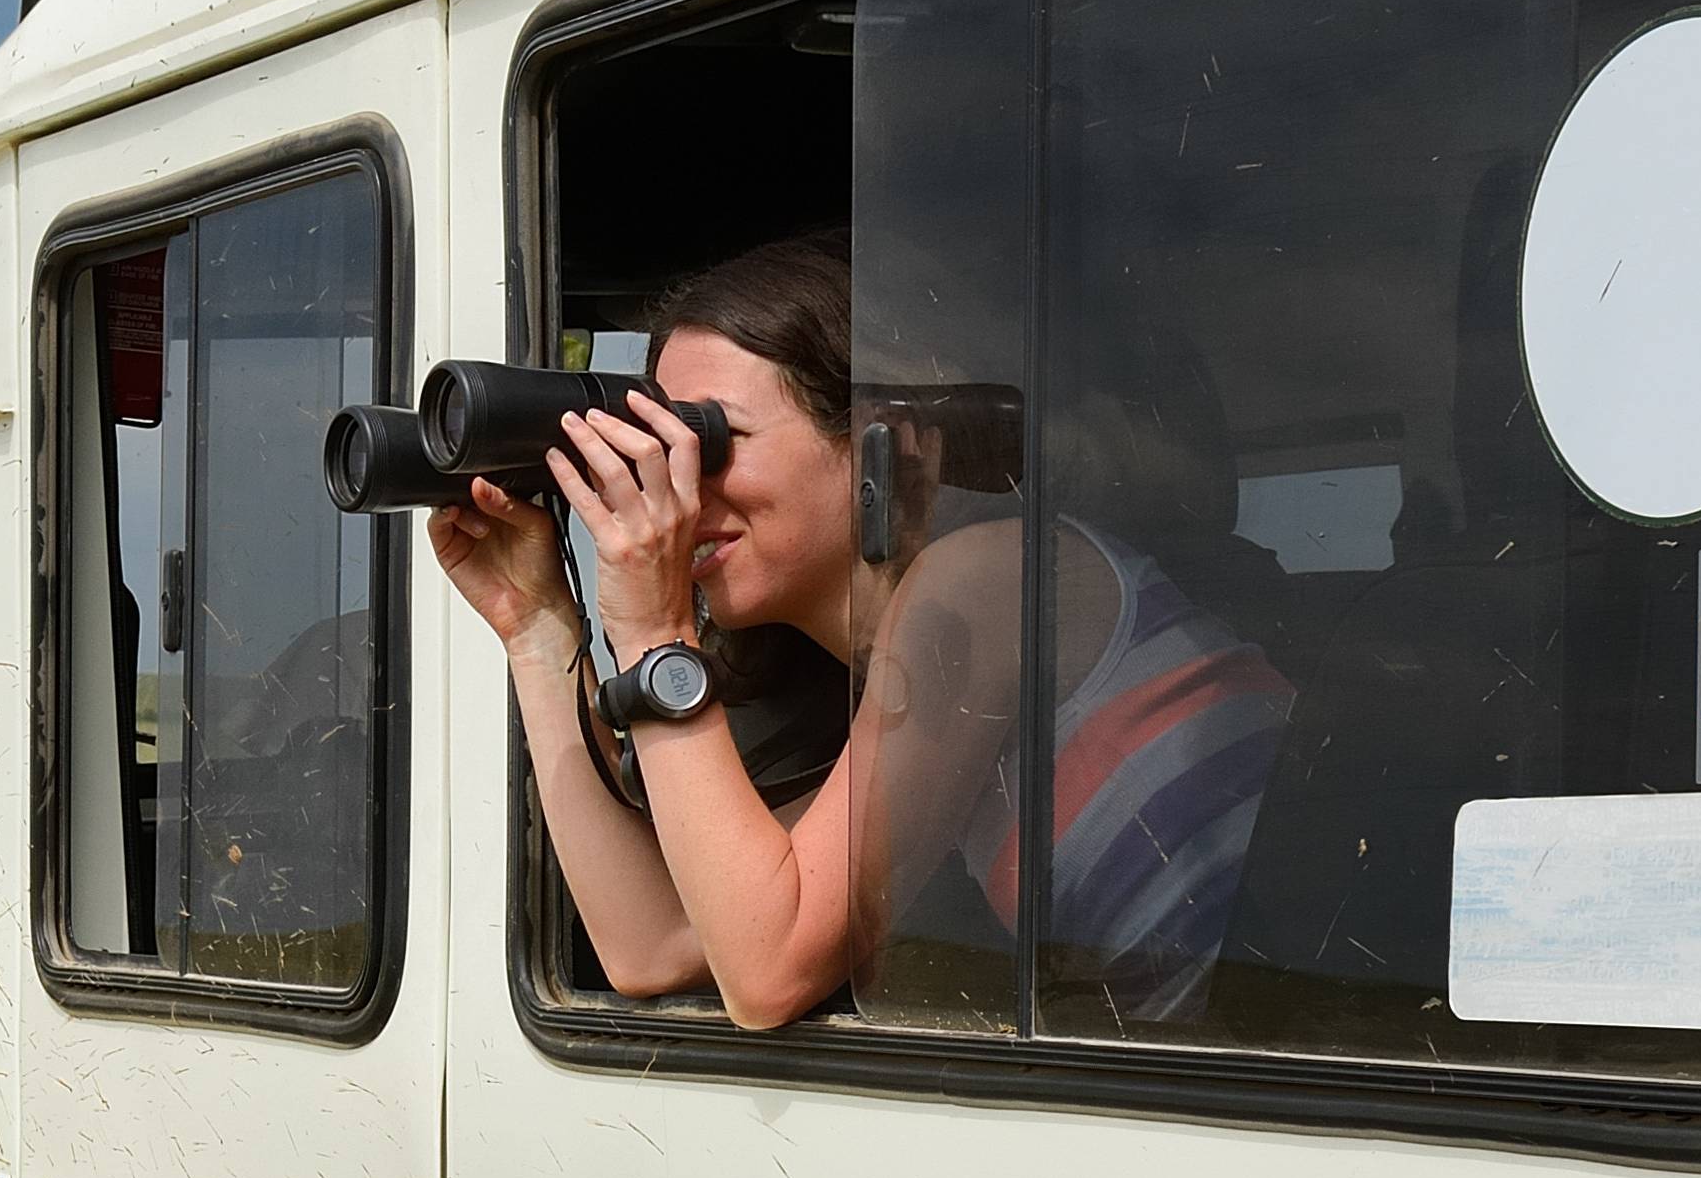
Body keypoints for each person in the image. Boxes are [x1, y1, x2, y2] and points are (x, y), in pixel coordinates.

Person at [428, 231, 1291, 1031]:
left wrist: (654, 630)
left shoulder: (992, 580)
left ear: (888, 442)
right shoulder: (924, 681)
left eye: (708, 439)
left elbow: (766, 972)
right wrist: (537, 628)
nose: (678, 487)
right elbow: (651, 945)